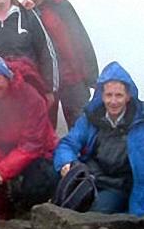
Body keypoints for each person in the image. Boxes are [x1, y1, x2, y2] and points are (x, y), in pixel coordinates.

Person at [0, 54, 58, 220]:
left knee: (39, 182)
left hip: (38, 151)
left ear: (6, 77)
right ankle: (3, 215)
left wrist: (4, 170)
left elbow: (32, 144)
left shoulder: (30, 96)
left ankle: (30, 213)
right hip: (6, 149)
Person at [54, 62, 144, 215]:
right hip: (89, 177)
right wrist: (66, 163)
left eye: (119, 95)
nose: (113, 101)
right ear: (102, 95)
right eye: (109, 95)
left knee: (95, 214)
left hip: (119, 185)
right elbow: (68, 143)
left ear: (128, 97)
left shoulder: (139, 123)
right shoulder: (91, 118)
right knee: (49, 183)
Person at [15, 0, 98, 128]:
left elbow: (80, 38)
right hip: (45, 81)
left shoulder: (61, 5)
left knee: (81, 126)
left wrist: (92, 75)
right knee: (46, 129)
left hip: (72, 77)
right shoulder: (21, 12)